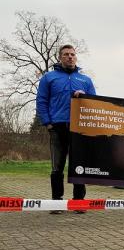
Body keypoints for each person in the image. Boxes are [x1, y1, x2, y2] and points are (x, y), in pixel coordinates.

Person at [36, 44, 96, 214]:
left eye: (72, 54)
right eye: (66, 54)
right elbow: (41, 101)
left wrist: (84, 95)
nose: (70, 57)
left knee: (79, 165)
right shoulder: (49, 78)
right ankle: (57, 203)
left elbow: (95, 103)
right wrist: (48, 123)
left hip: (80, 128)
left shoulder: (86, 80)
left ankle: (79, 202)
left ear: (76, 57)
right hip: (57, 126)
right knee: (57, 166)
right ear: (60, 58)